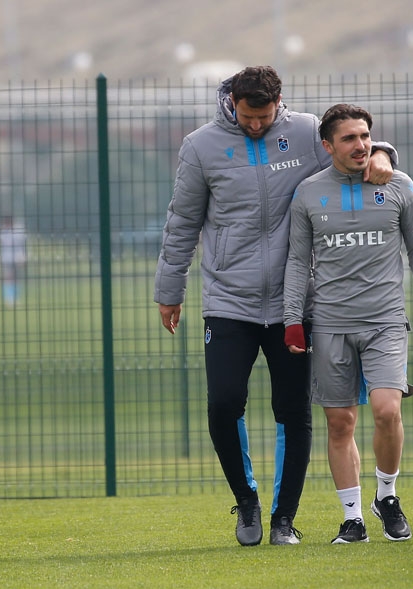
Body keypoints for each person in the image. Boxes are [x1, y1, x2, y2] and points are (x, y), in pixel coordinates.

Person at [154, 67, 398, 546]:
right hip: (229, 300)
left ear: (279, 103)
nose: (256, 126)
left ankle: (284, 518)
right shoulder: (200, 146)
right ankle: (247, 502)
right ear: (232, 103)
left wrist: (387, 154)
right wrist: (170, 289)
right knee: (223, 403)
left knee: (293, 412)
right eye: (247, 116)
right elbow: (182, 221)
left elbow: (356, 145)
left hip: (296, 302)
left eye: (264, 116)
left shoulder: (307, 132)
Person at [283, 103, 413, 545]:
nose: (360, 145)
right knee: (340, 423)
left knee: (387, 410)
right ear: (327, 146)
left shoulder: (398, 185)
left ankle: (387, 497)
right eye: (348, 139)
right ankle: (352, 519)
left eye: (365, 137)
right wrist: (292, 319)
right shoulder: (308, 193)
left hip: (385, 321)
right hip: (330, 324)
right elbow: (298, 261)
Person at [0, 216, 28, 306]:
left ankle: (14, 297)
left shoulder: (16, 233)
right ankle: (9, 298)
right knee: (8, 278)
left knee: (15, 278)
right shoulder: (3, 233)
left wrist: (23, 256)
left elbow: (21, 245)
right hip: (7, 258)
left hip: (15, 258)